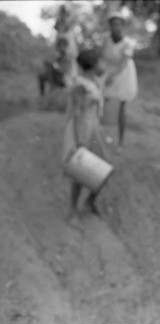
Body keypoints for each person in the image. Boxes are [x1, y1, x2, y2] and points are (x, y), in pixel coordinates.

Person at [62, 48, 108, 221]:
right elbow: (77, 112)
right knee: (80, 172)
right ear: (94, 65)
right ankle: (73, 209)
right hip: (83, 131)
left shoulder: (93, 83)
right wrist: (80, 140)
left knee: (103, 169)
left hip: (93, 129)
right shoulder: (81, 85)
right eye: (101, 62)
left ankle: (90, 201)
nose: (104, 65)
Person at [101, 12, 138, 147]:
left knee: (122, 107)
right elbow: (103, 56)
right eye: (112, 24)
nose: (115, 27)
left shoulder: (128, 43)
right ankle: (100, 135)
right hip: (109, 70)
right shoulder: (106, 39)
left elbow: (123, 63)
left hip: (123, 75)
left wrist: (112, 76)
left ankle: (120, 142)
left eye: (118, 24)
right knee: (102, 103)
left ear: (122, 26)